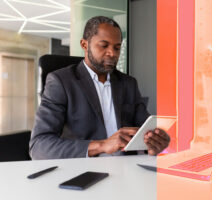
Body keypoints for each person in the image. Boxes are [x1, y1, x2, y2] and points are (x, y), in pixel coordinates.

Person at [29, 16, 170, 159]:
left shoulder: (128, 83)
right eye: (104, 45)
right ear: (84, 45)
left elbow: (144, 132)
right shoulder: (61, 82)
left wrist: (153, 144)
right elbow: (39, 146)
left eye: (117, 47)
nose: (112, 53)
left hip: (128, 168)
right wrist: (101, 145)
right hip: (84, 171)